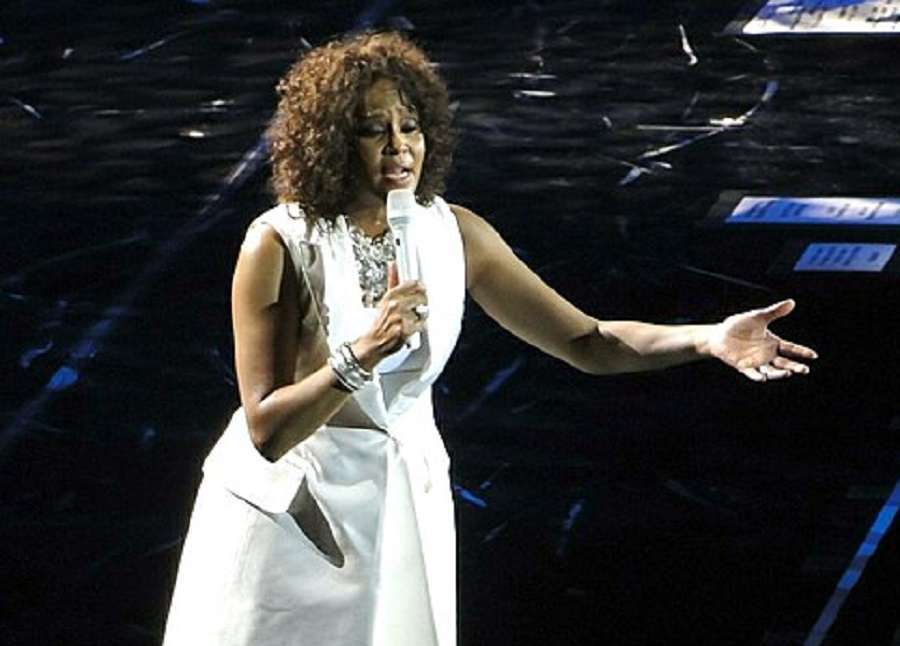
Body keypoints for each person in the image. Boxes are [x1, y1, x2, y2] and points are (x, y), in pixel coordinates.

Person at [162, 31, 816, 646]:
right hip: (292, 516)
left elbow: (588, 341)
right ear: (330, 142)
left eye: (410, 127)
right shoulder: (279, 243)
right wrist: (363, 354)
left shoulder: (456, 234)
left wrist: (708, 339)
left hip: (401, 501)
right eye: (372, 130)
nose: (398, 147)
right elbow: (267, 431)